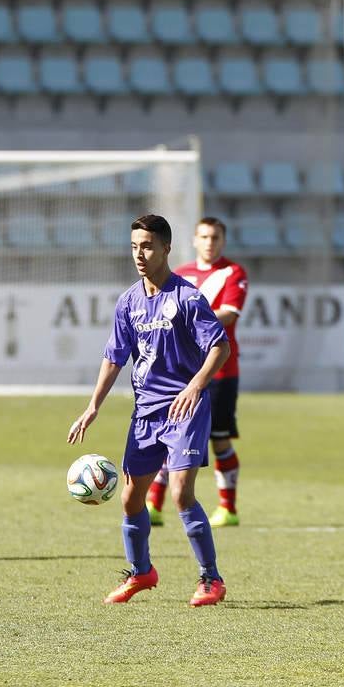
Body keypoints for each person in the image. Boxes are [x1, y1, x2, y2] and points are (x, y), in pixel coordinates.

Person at [67, 214, 231, 607]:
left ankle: (211, 579)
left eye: (147, 246)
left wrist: (196, 385)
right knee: (129, 500)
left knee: (180, 493)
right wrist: (93, 407)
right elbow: (114, 357)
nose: (139, 255)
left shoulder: (187, 298)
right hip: (145, 412)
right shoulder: (129, 301)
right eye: (134, 247)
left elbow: (220, 346)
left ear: (166, 248)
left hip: (184, 408)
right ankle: (141, 572)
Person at [145, 217, 249, 528]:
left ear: (222, 241)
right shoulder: (181, 274)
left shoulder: (233, 273)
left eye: (215, 237)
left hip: (220, 371)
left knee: (219, 439)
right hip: (182, 373)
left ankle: (228, 508)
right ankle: (153, 504)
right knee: (170, 436)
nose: (209, 242)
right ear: (194, 240)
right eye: (203, 236)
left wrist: (186, 318)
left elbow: (229, 316)